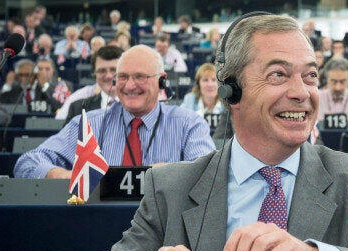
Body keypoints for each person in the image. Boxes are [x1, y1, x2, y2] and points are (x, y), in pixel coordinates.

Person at [66, 13, 348, 251]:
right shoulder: (171, 187)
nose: (302, 91)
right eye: (279, 74)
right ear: (230, 90)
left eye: (310, 75)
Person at [14, 45, 215, 179]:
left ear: (162, 80)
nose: (129, 85)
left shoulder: (189, 124)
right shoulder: (89, 124)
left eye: (140, 77)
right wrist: (69, 176)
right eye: (123, 77)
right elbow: (28, 162)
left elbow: (209, 174)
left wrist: (171, 173)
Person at [65, 46, 123, 123]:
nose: (108, 76)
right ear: (94, 74)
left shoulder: (140, 107)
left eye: (114, 70)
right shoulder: (77, 109)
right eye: (102, 71)